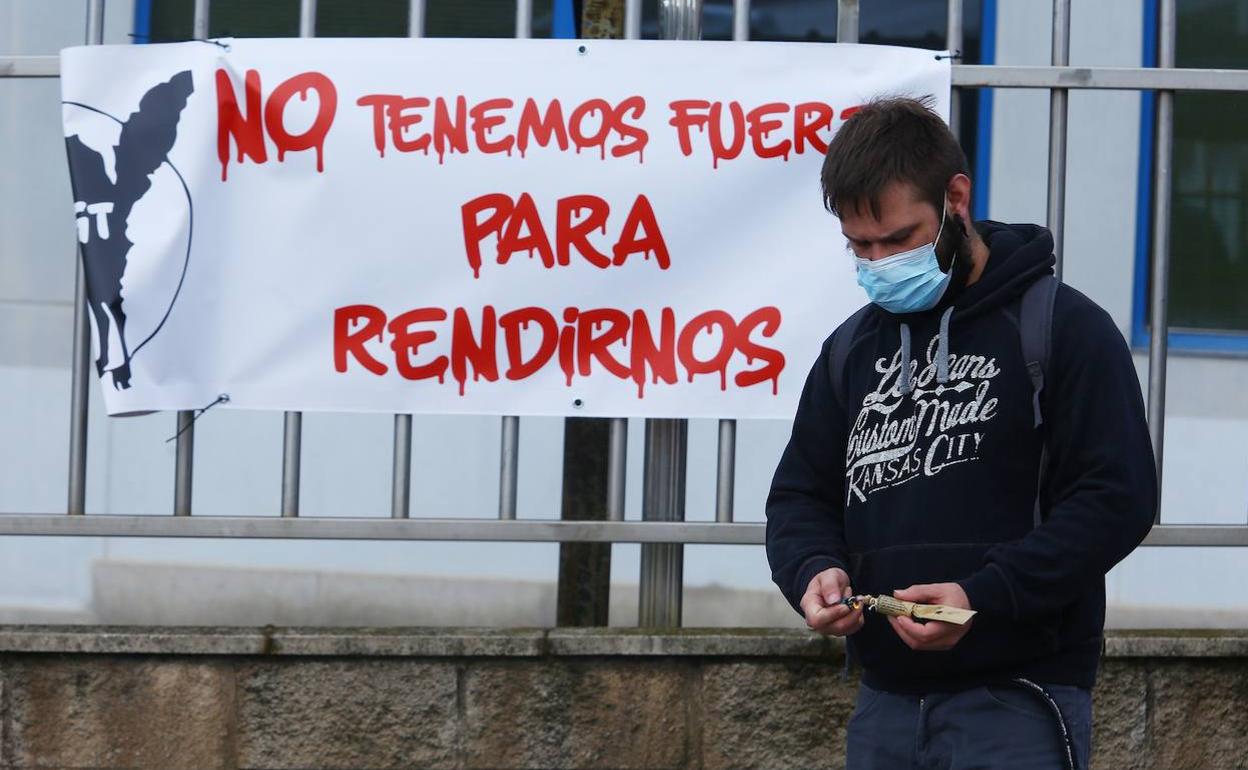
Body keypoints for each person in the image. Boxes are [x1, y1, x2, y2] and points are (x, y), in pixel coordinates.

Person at [764, 96, 1157, 770]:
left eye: (900, 239)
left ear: (956, 198)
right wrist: (812, 572)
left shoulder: (1064, 329)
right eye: (860, 246)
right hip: (883, 706)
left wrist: (984, 595)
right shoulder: (850, 350)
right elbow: (800, 498)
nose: (880, 262)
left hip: (1020, 701)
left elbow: (1116, 500)